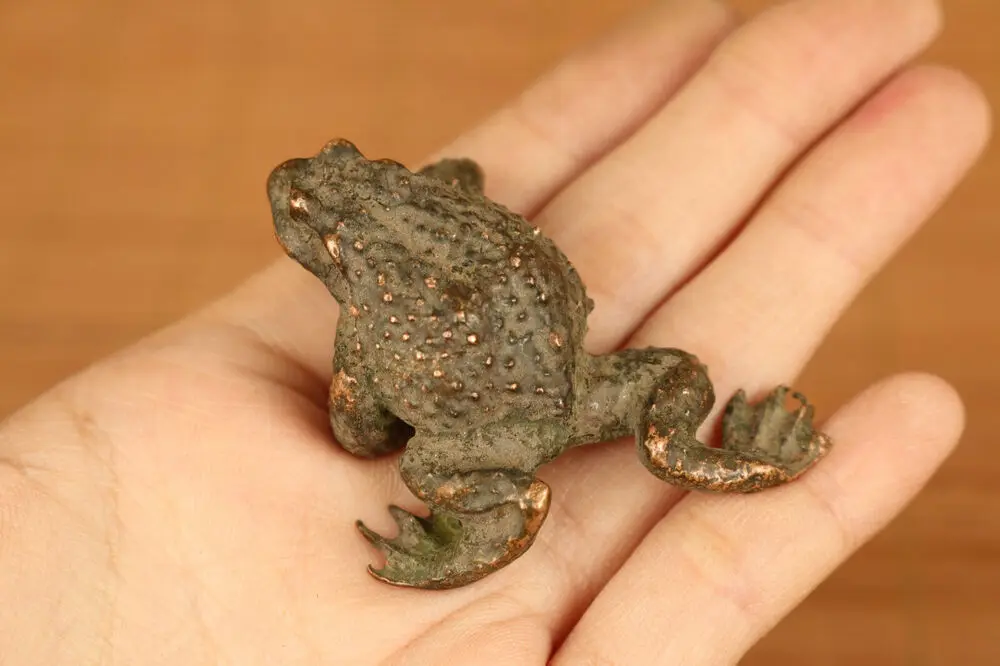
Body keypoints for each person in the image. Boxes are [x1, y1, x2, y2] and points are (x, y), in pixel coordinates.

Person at [0, 0, 989, 663]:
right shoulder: (417, 212)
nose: (298, 200)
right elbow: (451, 203)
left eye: (321, 209)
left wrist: (376, 390)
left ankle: (495, 513)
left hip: (517, 414)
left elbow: (364, 432)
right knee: (672, 379)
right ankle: (705, 452)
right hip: (576, 374)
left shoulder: (366, 316)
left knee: (434, 468)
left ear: (340, 249)